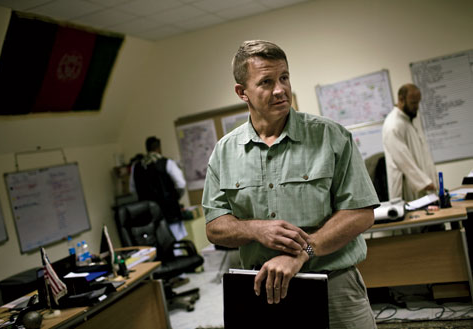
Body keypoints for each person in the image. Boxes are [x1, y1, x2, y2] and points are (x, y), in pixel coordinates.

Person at [202, 40, 380, 328]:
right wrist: (254, 228)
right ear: (242, 92)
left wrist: (302, 253)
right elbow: (215, 226)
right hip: (264, 291)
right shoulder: (224, 152)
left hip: (334, 287)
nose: (280, 89)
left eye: (284, 77)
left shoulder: (330, 136)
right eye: (266, 81)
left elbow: (360, 213)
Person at [382, 84, 438, 201]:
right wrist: (425, 182)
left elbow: (423, 153)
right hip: (408, 190)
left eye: (418, 102)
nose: (417, 107)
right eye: (413, 103)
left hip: (424, 186)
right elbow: (403, 160)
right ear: (401, 100)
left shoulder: (411, 118)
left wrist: (433, 178)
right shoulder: (393, 125)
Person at [130, 136, 187, 240]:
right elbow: (181, 184)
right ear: (159, 148)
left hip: (149, 215)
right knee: (175, 241)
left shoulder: (136, 167)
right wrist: (175, 197)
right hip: (170, 211)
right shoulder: (167, 163)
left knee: (159, 243)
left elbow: (133, 190)